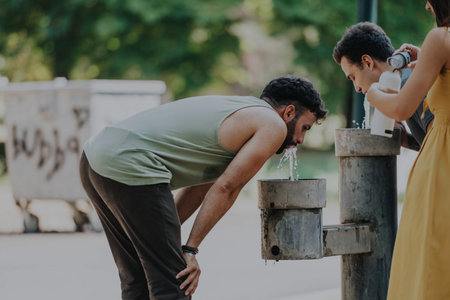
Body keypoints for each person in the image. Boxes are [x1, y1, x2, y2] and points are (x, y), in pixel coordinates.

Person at [79, 75, 327, 300]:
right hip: (131, 165)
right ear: (289, 112)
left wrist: (165, 243)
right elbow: (227, 188)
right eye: (304, 127)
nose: (301, 140)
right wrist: (188, 250)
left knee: (138, 278)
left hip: (95, 159)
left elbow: (201, 189)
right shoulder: (272, 125)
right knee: (176, 283)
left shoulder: (238, 113)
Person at [366, 1, 450, 299]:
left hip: (443, 165)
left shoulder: (441, 38)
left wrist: (373, 89)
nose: (427, 5)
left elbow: (401, 107)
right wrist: (428, 58)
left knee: (433, 261)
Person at [333, 22, 434, 151]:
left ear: (367, 62)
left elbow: (444, 144)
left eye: (354, 77)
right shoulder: (403, 83)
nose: (357, 88)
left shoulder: (407, 83)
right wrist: (406, 139)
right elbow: (435, 145)